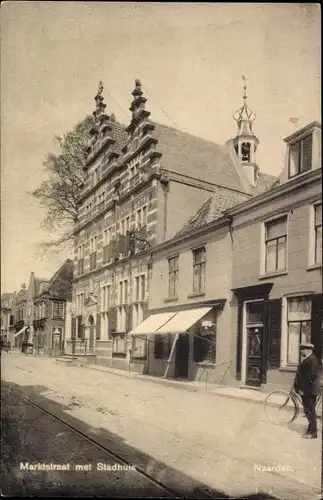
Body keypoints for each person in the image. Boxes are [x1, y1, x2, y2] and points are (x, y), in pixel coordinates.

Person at [294, 342, 321, 439]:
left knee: (310, 411)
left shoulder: (312, 360)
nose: (301, 351)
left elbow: (310, 377)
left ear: (307, 350)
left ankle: (313, 433)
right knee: (309, 410)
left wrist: (302, 389)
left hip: (309, 390)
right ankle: (311, 429)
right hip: (308, 389)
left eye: (302, 349)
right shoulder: (309, 359)